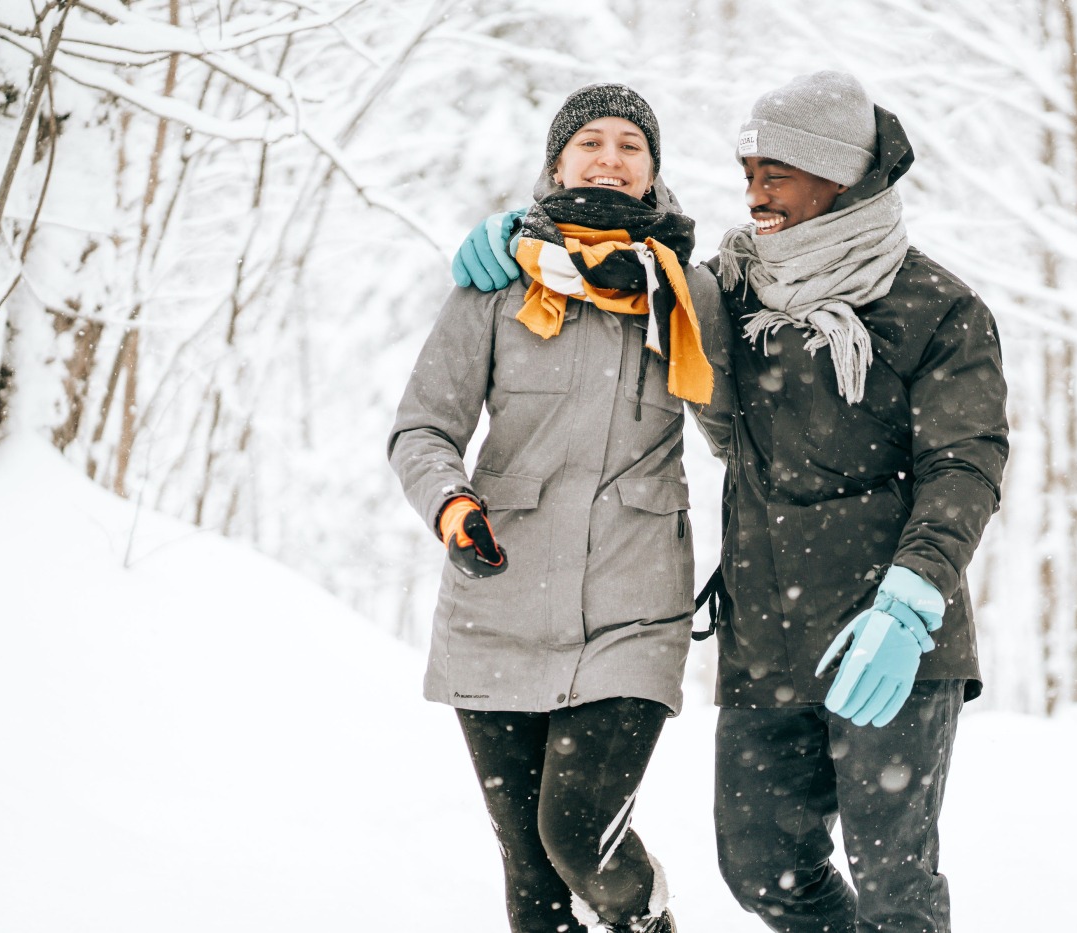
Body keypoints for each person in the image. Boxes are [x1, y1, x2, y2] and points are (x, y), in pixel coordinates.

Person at [453, 71, 1009, 933]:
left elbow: (966, 464)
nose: (754, 195)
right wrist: (524, 235)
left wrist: (912, 598)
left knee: (896, 885)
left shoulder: (936, 308)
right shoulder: (733, 287)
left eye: (775, 176)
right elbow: (626, 270)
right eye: (747, 171)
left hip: (891, 638)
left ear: (837, 177)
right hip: (770, 636)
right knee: (763, 871)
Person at [389, 83, 728, 933]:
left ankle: (646, 920)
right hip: (498, 601)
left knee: (576, 832)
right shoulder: (497, 284)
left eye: (631, 146)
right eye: (591, 143)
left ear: (653, 174)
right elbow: (423, 426)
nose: (610, 158)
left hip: (632, 609)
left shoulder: (689, 292)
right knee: (534, 881)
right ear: (556, 163)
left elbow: (741, 431)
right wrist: (450, 504)